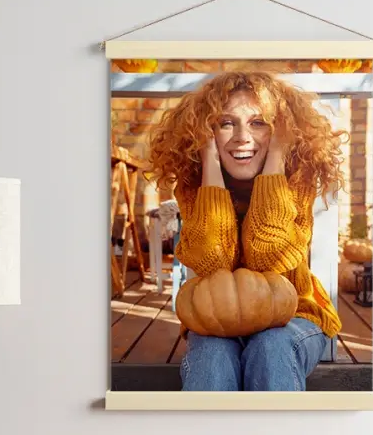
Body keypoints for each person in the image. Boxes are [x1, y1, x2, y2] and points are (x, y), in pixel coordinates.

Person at [145, 71, 346, 391]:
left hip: (295, 315)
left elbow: (270, 258)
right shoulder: (194, 184)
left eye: (258, 123)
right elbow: (213, 263)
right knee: (210, 356)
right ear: (206, 131)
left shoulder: (297, 179)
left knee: (270, 347)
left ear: (280, 131)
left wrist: (276, 158)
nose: (242, 136)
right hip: (217, 321)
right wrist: (210, 164)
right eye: (226, 123)